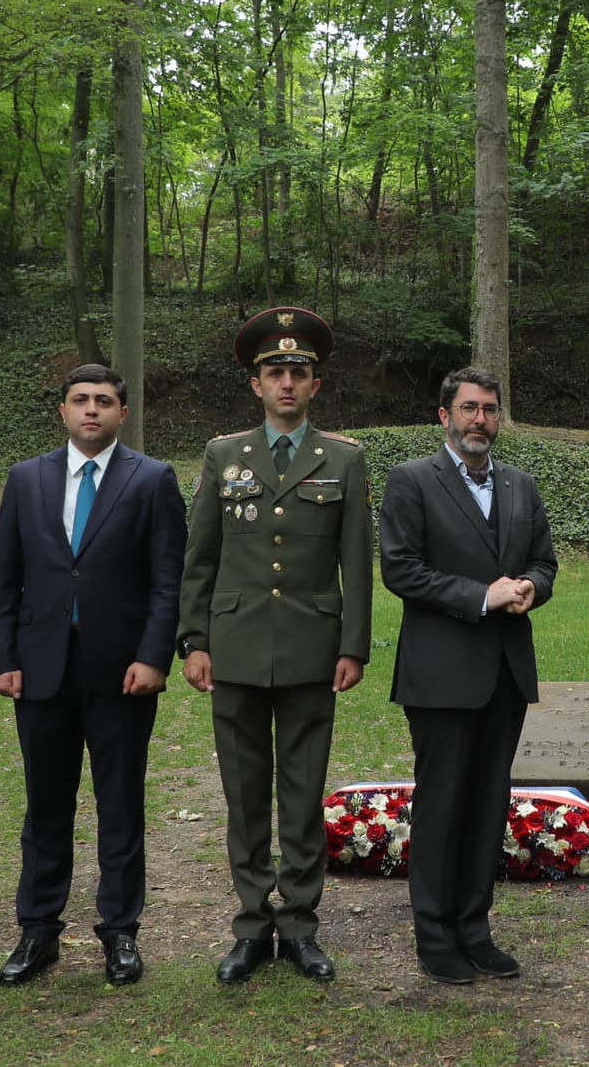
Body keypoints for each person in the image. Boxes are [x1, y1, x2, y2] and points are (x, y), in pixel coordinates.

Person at [177, 307, 372, 984]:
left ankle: (301, 926)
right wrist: (194, 640)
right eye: (274, 372)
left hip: (312, 648)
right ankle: (252, 926)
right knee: (244, 792)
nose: (287, 382)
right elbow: (200, 557)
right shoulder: (223, 455)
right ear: (255, 384)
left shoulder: (344, 458)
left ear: (315, 384)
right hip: (233, 646)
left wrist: (353, 646)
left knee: (302, 791)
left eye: (298, 372)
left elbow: (356, 561)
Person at [0, 364, 184, 988]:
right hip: (42, 666)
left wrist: (154, 656)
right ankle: (38, 928)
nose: (91, 409)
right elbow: (4, 578)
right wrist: (2, 659)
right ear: (63, 411)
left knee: (120, 802)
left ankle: (120, 930)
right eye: (80, 400)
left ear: (123, 412)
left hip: (122, 671)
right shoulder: (26, 479)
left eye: (103, 401)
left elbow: (167, 579)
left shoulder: (152, 479)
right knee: (46, 803)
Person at [379, 367, 557, 985]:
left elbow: (545, 561)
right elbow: (401, 569)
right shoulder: (411, 481)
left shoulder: (520, 485)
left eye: (489, 409)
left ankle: (475, 930)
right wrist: (482, 596)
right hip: (441, 672)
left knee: (487, 805)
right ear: (444, 415)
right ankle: (434, 937)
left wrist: (532, 585)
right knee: (442, 806)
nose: (479, 419)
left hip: (505, 673)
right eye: (468, 408)